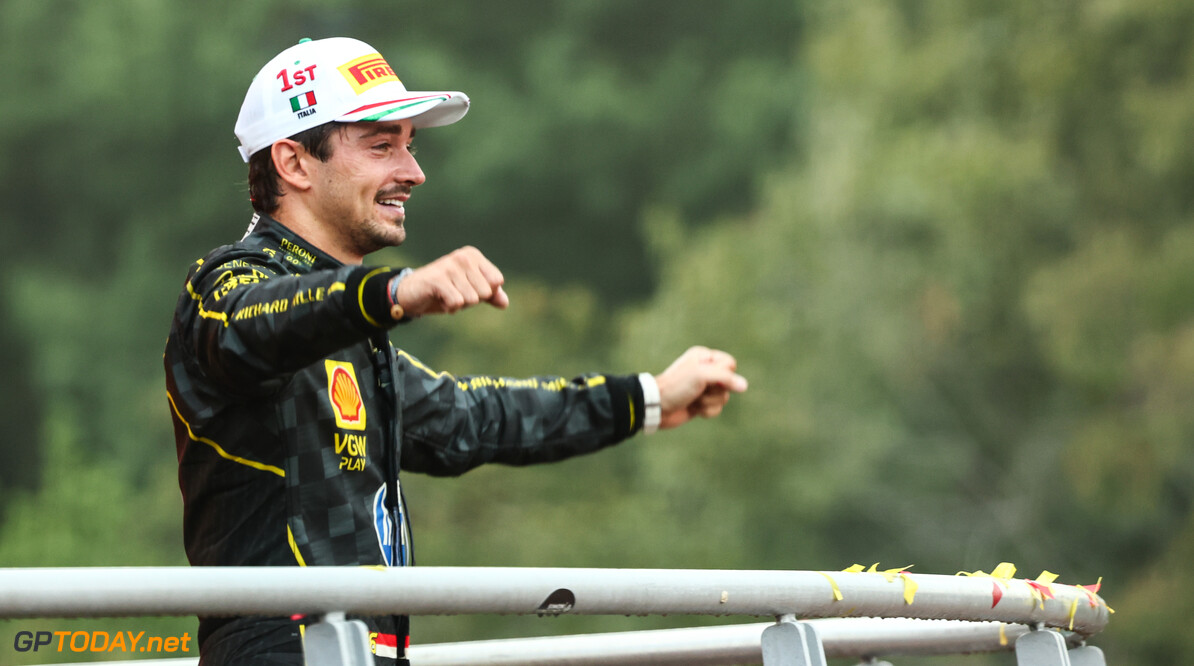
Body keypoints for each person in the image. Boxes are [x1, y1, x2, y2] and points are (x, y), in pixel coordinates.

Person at [164, 37, 748, 665]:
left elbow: (471, 419)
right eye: (382, 145)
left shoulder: (352, 337)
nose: (413, 172)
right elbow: (256, 325)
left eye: (410, 146)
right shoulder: (224, 284)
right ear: (295, 163)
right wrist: (396, 291)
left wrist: (649, 398)